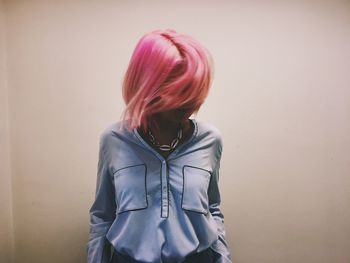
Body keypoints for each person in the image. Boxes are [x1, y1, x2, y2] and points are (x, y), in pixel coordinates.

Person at [86, 29, 233, 263]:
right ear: (146, 86)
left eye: (194, 90)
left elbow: (212, 209)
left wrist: (223, 259)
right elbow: (102, 215)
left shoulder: (210, 140)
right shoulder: (114, 140)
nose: (190, 102)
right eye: (179, 92)